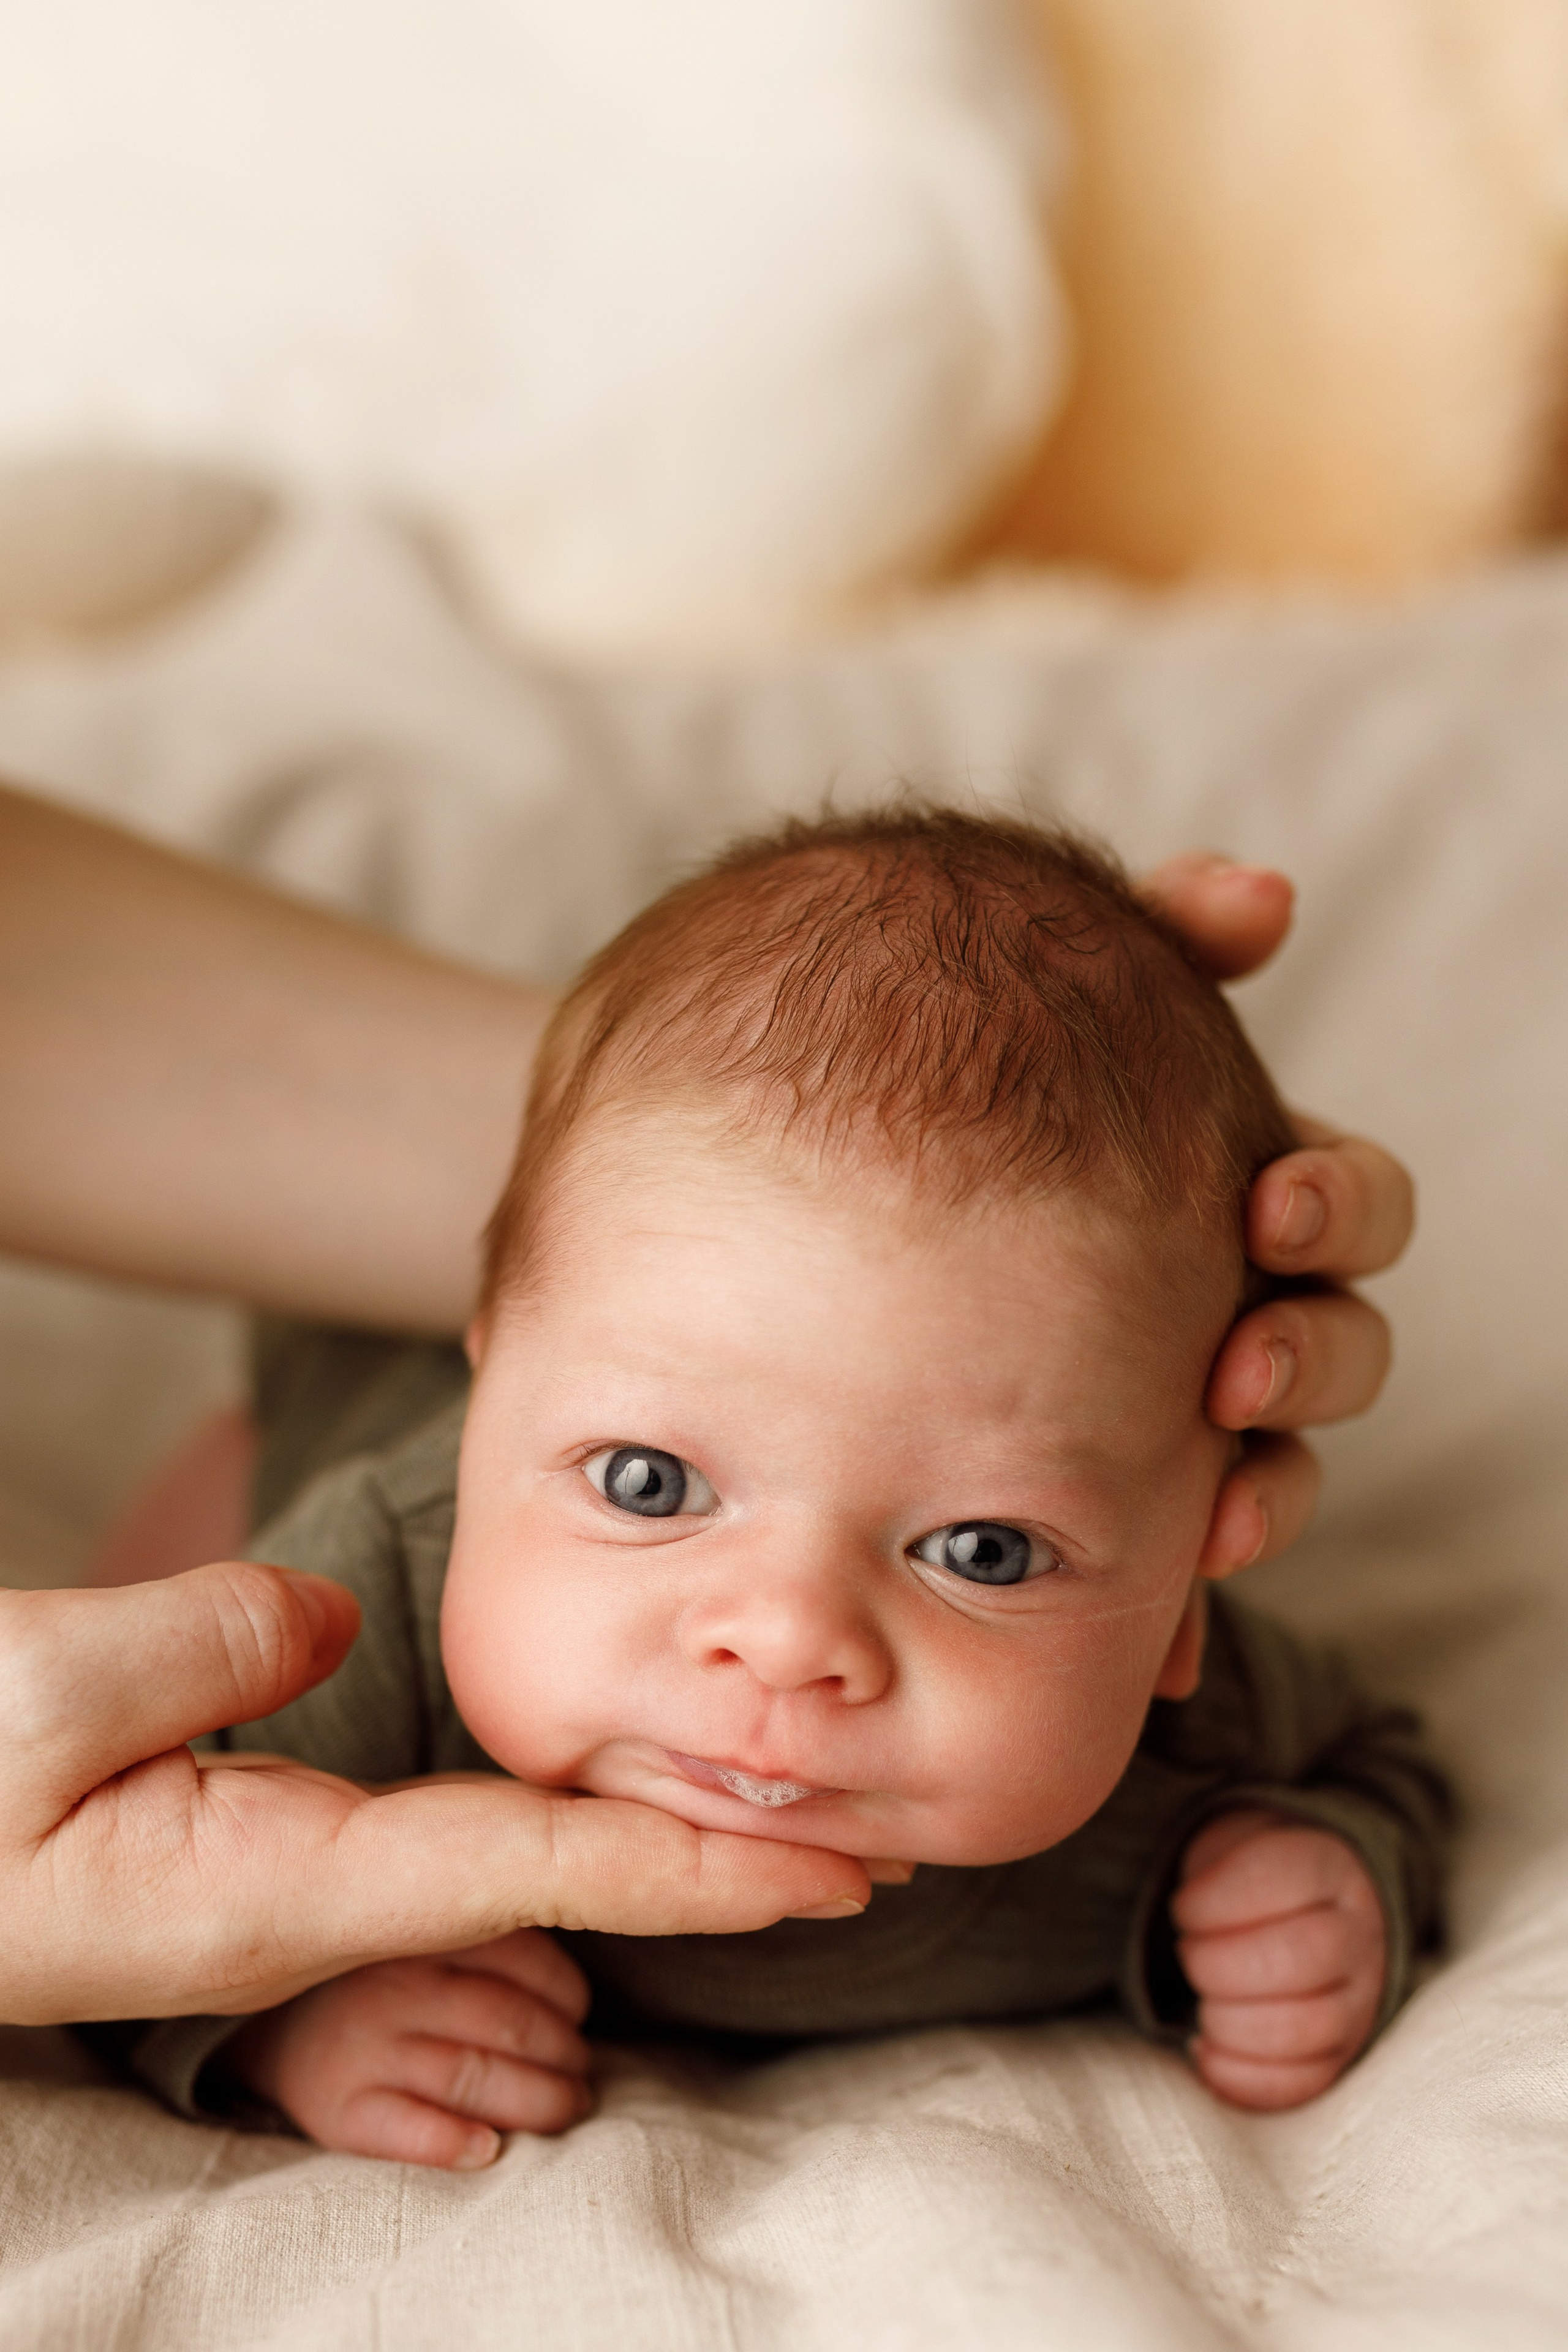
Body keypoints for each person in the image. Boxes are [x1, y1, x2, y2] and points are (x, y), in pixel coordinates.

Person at [92, 809, 1445, 2171]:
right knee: (204, 1566)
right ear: (490, 1389)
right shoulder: (370, 1598)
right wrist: (288, 2010)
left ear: (1181, 1610)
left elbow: (1376, 1761)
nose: (790, 1639)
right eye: (647, 1485)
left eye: (981, 1550)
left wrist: (1316, 1874)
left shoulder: (1187, 1752)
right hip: (355, 1370)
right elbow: (125, 1867)